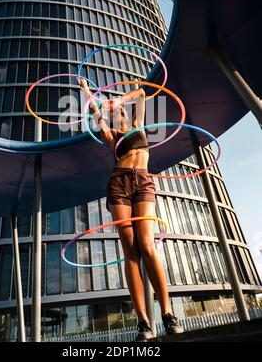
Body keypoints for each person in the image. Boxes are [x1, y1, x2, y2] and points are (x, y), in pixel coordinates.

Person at [78, 77, 183, 341]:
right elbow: (95, 113)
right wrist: (88, 92)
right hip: (119, 185)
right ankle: (143, 322)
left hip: (144, 183)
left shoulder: (138, 125)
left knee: (148, 245)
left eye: (122, 111)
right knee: (131, 251)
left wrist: (119, 100)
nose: (121, 113)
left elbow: (142, 93)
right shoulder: (112, 136)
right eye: (116, 113)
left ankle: (168, 314)